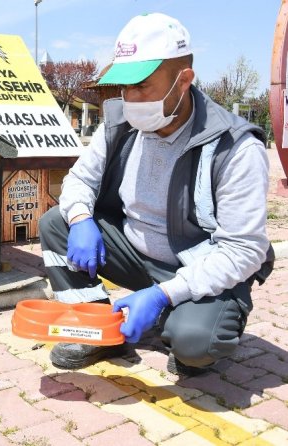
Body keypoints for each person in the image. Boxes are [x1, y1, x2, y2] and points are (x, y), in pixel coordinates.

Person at [38, 12, 273, 375]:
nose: (130, 98)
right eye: (124, 87)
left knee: (196, 344)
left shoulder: (234, 147)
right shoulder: (121, 122)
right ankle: (98, 328)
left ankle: (182, 318)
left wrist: (165, 294)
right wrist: (82, 219)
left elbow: (244, 249)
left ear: (184, 81)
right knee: (58, 222)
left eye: (142, 85)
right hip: (135, 254)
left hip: (199, 267)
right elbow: (78, 180)